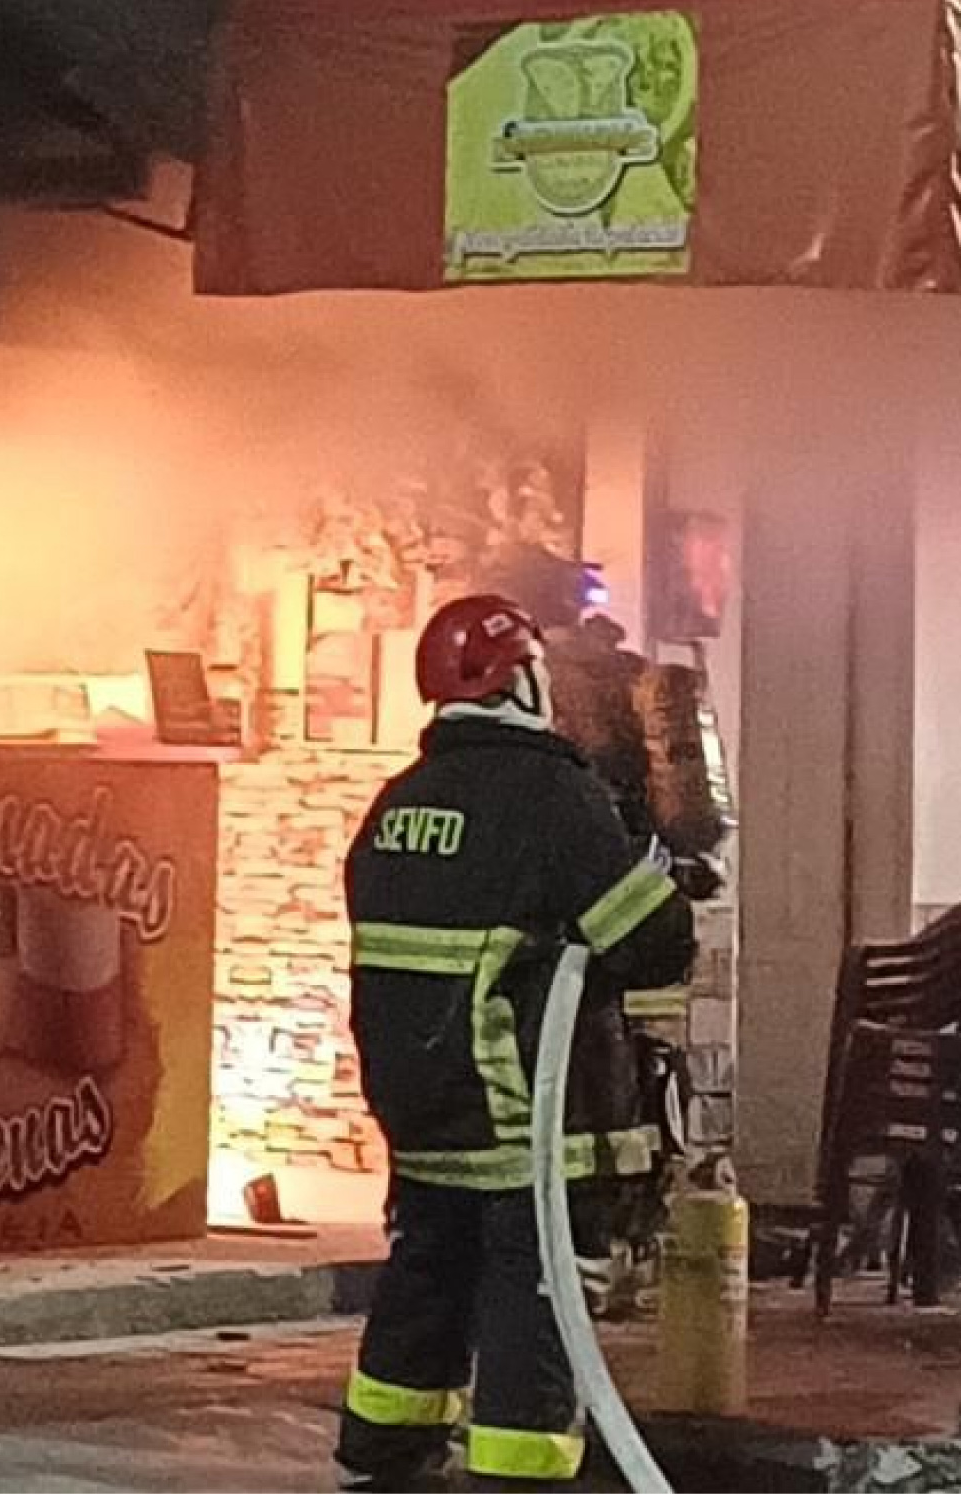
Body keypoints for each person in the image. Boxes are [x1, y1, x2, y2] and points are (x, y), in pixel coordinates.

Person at [335, 594, 697, 1492]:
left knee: (426, 1270)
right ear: (523, 681)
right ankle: (519, 1472)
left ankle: (384, 1450)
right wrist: (663, 876)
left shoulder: (396, 804)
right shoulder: (549, 796)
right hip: (522, 1116)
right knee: (534, 1289)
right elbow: (652, 944)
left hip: (421, 1111)